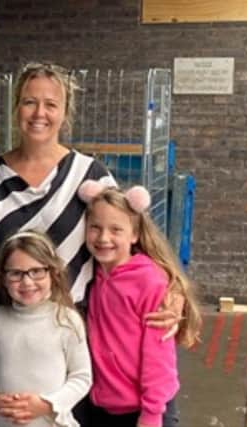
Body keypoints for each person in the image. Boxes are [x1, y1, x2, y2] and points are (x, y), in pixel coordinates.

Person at [0, 62, 183, 369]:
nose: (39, 113)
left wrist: (173, 293)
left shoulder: (91, 177)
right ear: (17, 108)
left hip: (70, 331)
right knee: (8, 411)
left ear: (65, 113)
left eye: (51, 104)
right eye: (29, 102)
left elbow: (137, 248)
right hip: (1, 330)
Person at [77, 180, 202, 427]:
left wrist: (152, 413)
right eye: (95, 227)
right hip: (105, 406)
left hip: (146, 409)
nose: (103, 238)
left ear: (135, 234)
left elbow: (159, 355)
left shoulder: (149, 282)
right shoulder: (92, 275)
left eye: (116, 230)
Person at [0, 230, 91, 427]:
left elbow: (82, 377)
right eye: (16, 273)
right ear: (4, 277)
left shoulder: (67, 320)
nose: (27, 282)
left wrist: (47, 404)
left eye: (37, 271)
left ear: (53, 272)